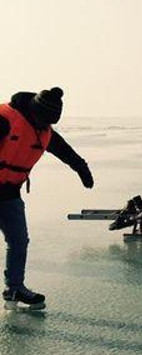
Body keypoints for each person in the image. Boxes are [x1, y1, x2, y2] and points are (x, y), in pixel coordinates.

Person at [0, 87, 94, 310]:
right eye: (44, 121)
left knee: (19, 241)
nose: (45, 127)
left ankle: (14, 289)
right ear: (34, 111)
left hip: (9, 194)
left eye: (49, 124)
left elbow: (64, 150)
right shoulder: (5, 121)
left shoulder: (43, 128)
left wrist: (82, 168)